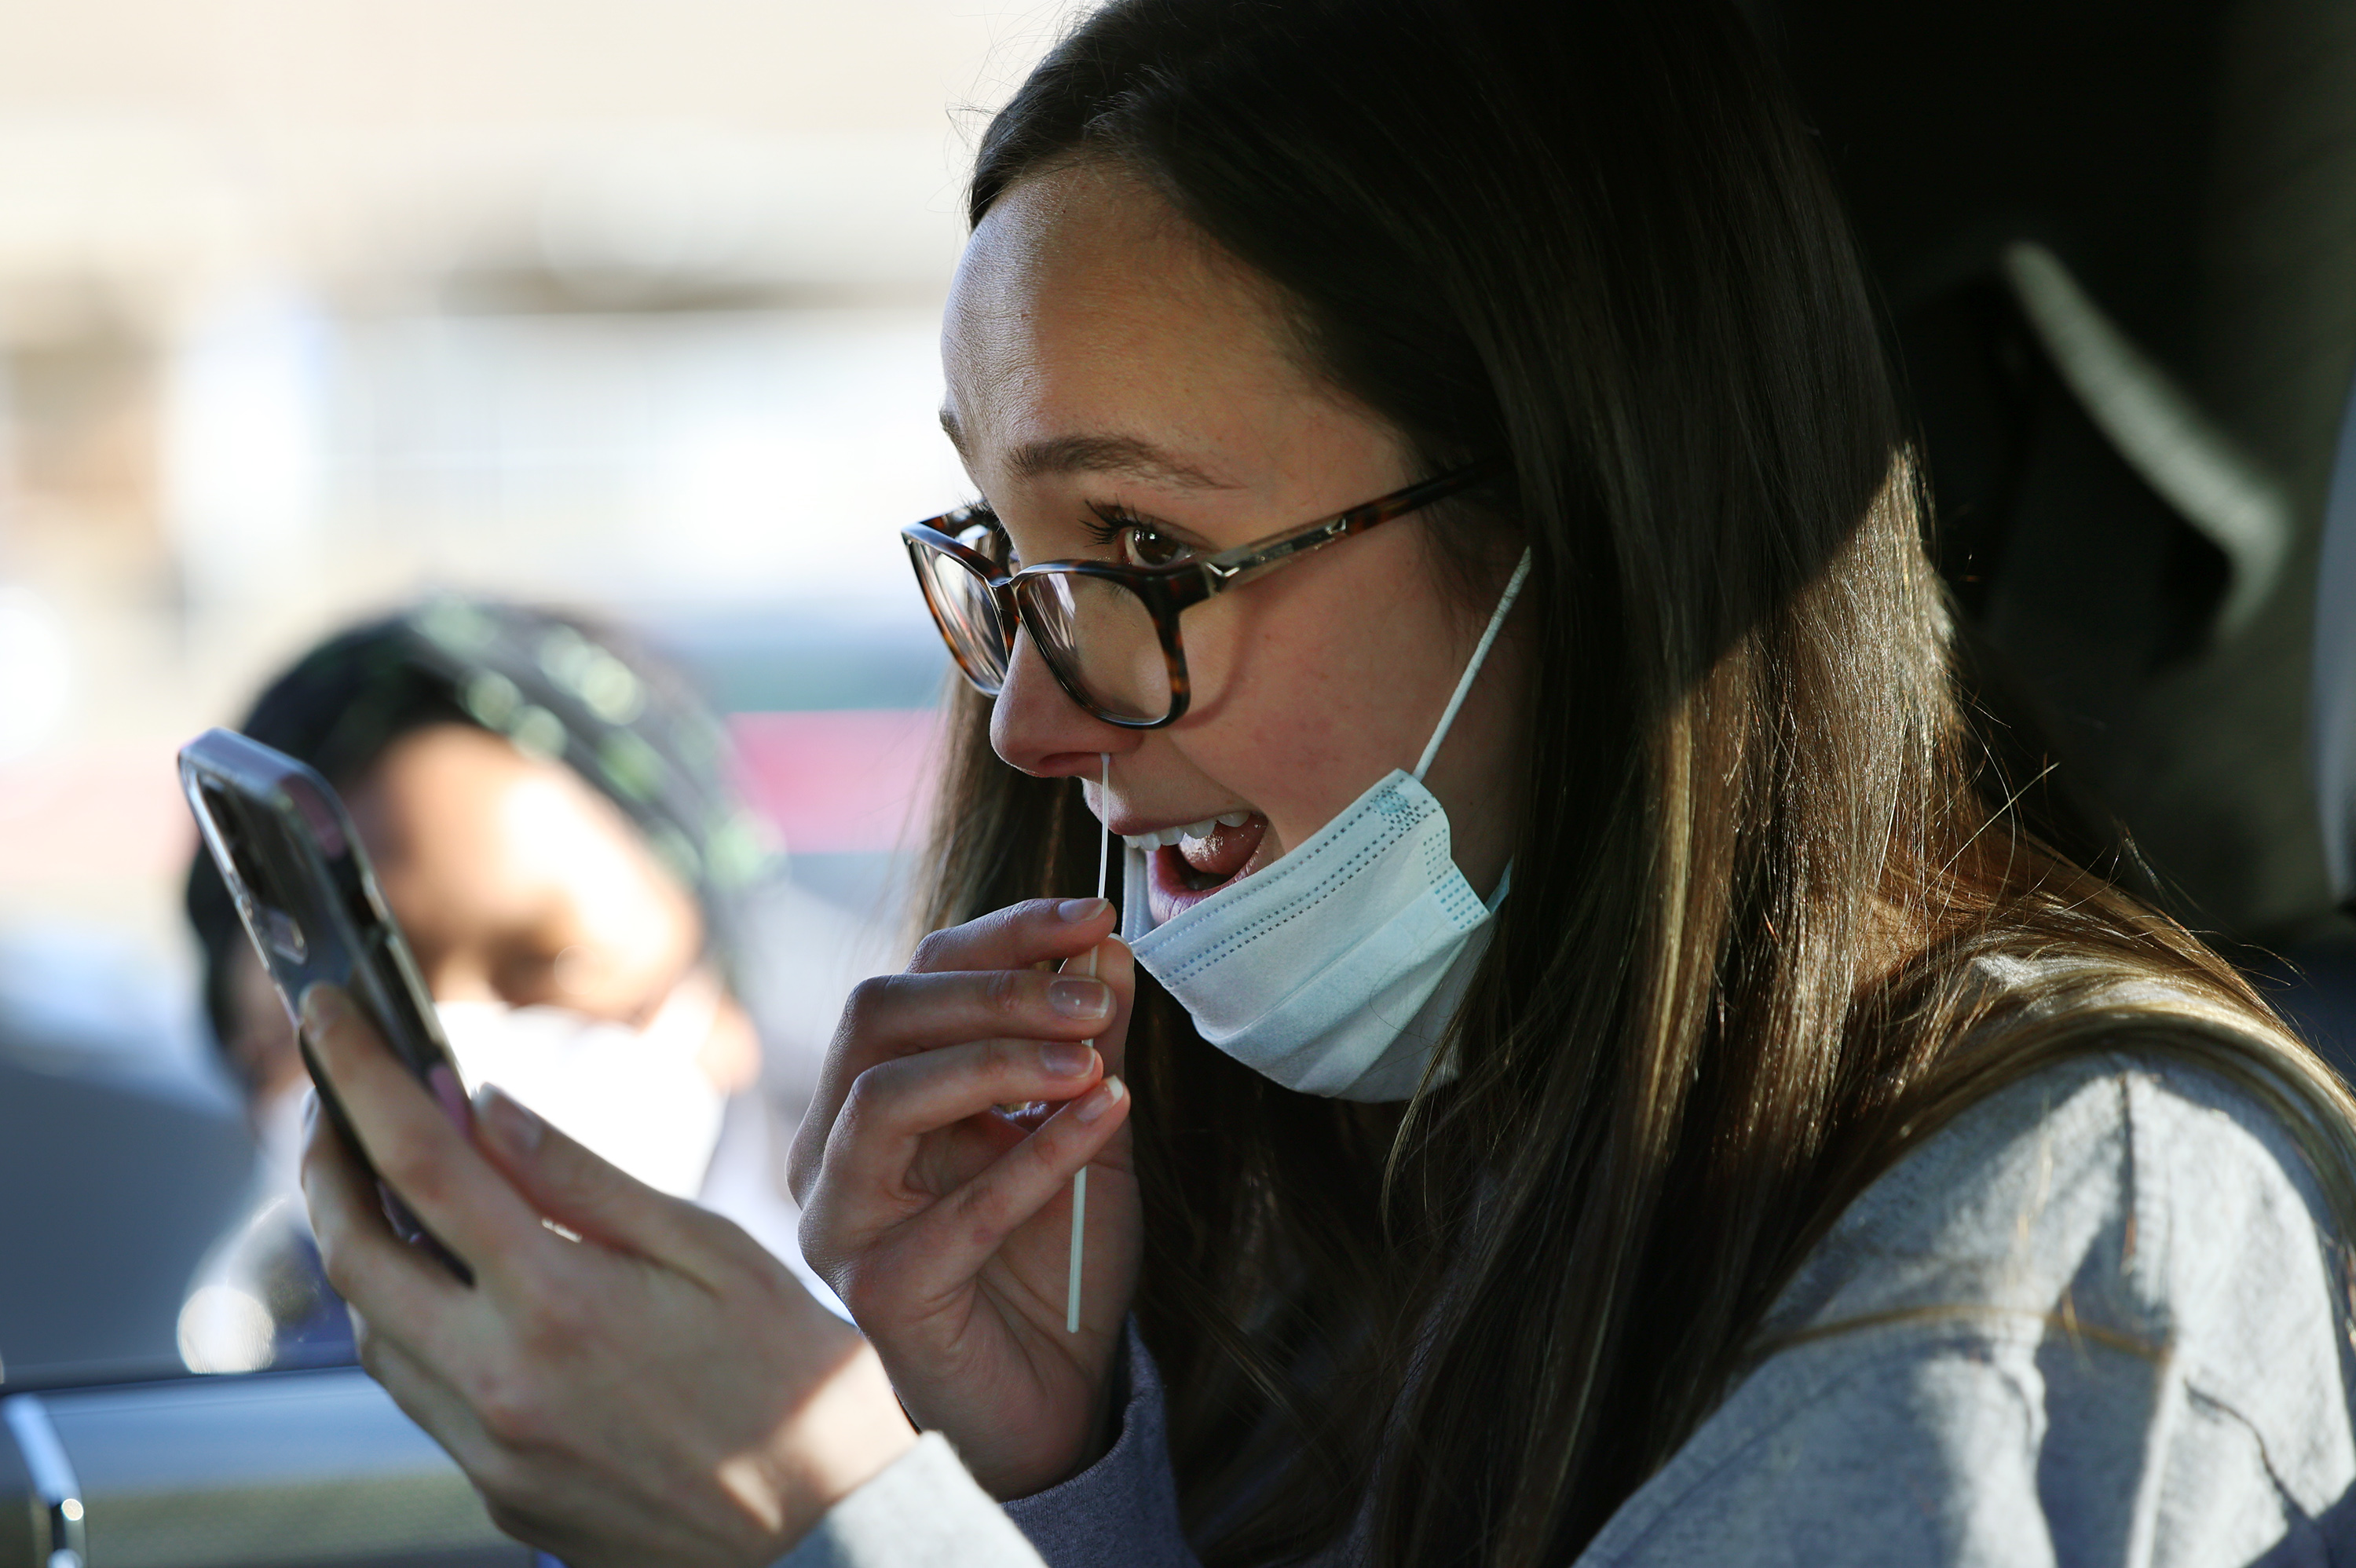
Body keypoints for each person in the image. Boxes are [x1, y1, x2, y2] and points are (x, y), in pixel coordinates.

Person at [291, 2, 2356, 1564]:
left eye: (1151, 559)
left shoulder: (2082, 1219)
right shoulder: (1364, 1186)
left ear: (1581, 534)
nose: (1032, 718)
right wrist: (1043, 1459)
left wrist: (838, 1513)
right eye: (1009, 567)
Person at [181, 596, 866, 1371]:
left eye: (555, 964)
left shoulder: (892, 1378)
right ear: (245, 1027)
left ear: (724, 1002)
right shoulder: (163, 1381)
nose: (455, 1052)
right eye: (367, 977)